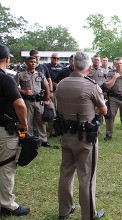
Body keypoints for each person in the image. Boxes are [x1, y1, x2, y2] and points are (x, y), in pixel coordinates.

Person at [55, 51, 106, 220]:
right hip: (85, 139)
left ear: (73, 65)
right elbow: (104, 109)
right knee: (87, 177)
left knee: (66, 173)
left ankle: (64, 210)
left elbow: (58, 107)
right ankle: (88, 215)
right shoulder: (91, 86)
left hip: (66, 135)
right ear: (90, 67)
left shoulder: (61, 84)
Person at [0, 44, 30, 216]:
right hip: (4, 131)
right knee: (6, 167)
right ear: (7, 59)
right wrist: (24, 124)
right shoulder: (5, 79)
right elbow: (19, 104)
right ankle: (7, 204)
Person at [14, 56, 51, 147]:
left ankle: (43, 140)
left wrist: (47, 97)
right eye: (31, 62)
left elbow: (46, 86)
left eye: (34, 62)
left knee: (41, 121)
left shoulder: (40, 74)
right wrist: (23, 91)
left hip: (39, 101)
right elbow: (14, 88)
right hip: (27, 101)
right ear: (26, 63)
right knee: (28, 121)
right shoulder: (20, 74)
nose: (33, 63)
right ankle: (28, 139)